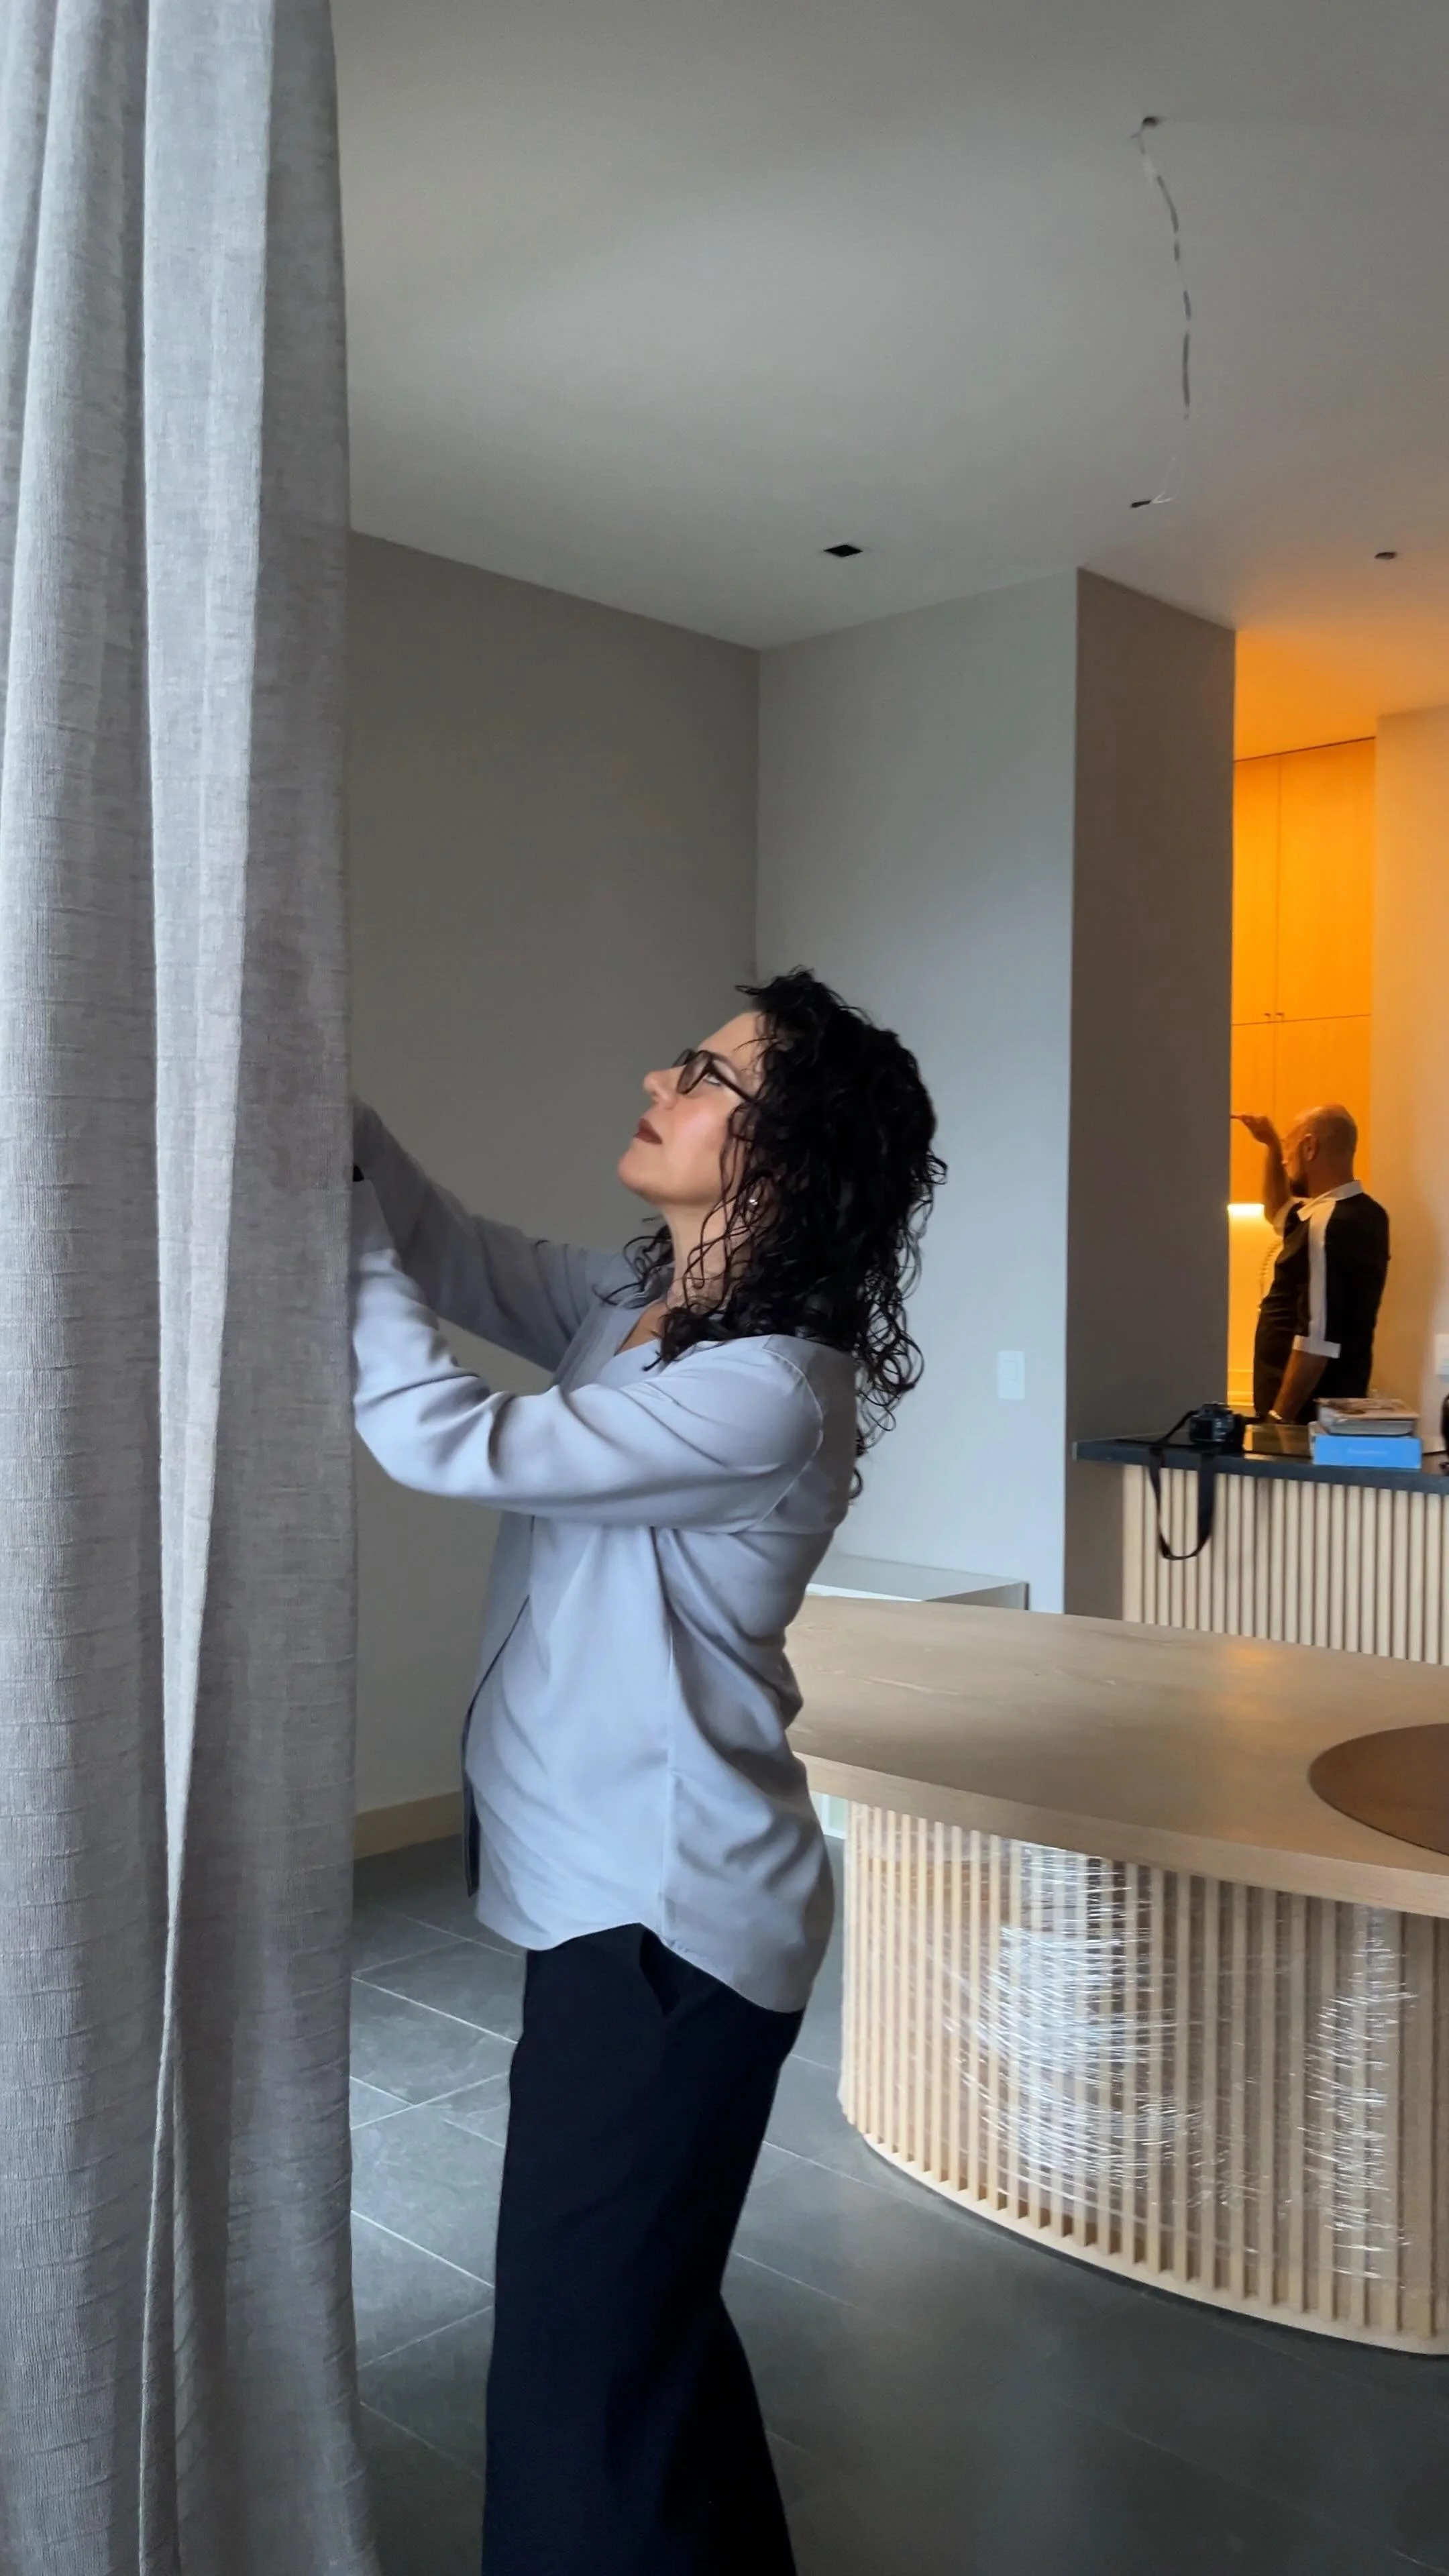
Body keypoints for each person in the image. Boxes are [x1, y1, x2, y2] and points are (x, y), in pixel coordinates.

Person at [350, 968, 944, 2576]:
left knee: (576, 2387)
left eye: (704, 1077)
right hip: (621, 1908)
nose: (656, 1081)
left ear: (788, 1156)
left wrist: (325, 1226)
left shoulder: (768, 1390)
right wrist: (318, 1109)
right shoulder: (640, 1303)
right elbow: (453, 1245)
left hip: (667, 1929)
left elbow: (445, 1438)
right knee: (638, 2333)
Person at [1234, 1103, 1389, 1425]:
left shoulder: (1327, 1224)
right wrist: (1272, 1144)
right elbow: (1277, 1211)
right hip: (1330, 1414)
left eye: (1289, 1148)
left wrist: (1278, 1419)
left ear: (1310, 1147)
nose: (1285, 1160)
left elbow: (1317, 1340)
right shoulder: (1363, 1213)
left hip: (1303, 1421)